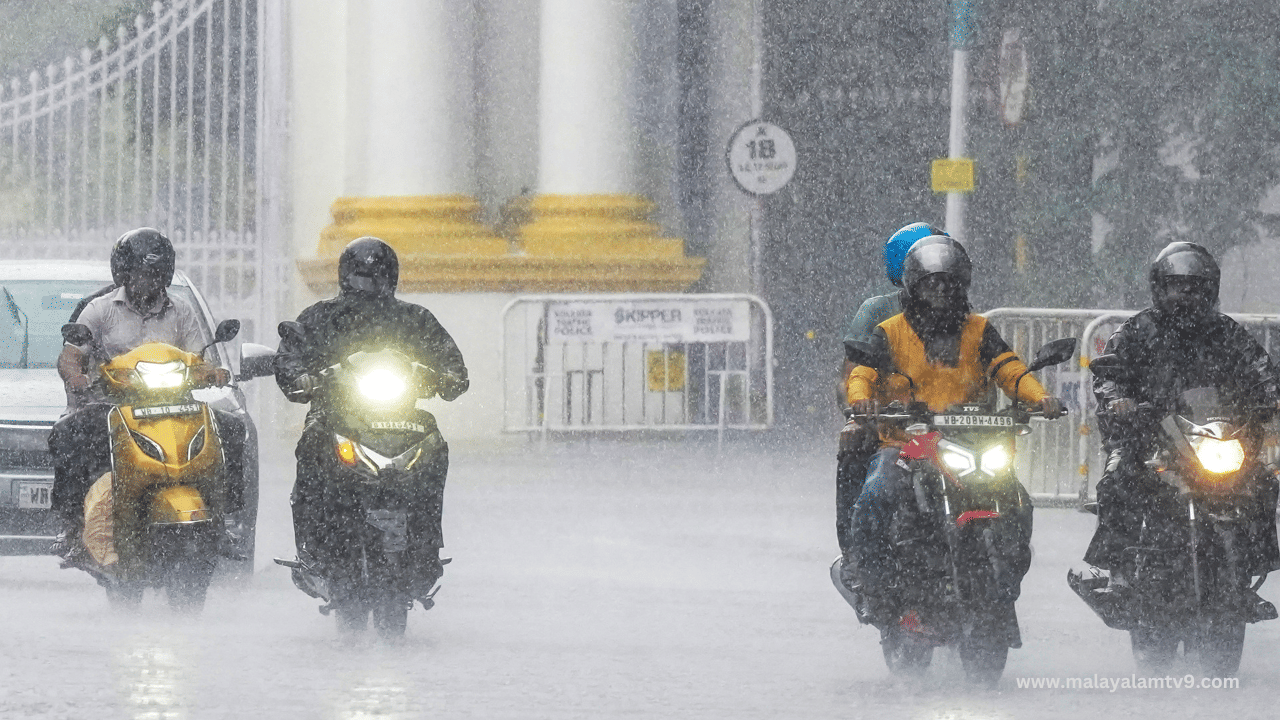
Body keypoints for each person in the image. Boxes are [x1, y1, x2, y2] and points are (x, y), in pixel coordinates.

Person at [846, 235, 1065, 626]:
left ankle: (1003, 586)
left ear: (962, 286)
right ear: (913, 287)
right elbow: (863, 372)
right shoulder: (889, 330)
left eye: (949, 283)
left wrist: (1039, 397)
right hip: (907, 443)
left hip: (972, 441)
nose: (941, 292)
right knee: (875, 496)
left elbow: (1009, 370)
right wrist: (861, 399)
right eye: (932, 283)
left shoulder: (980, 330)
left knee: (1019, 503)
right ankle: (874, 588)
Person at [1084, 241, 1280, 617]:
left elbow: (1262, 371)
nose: (1186, 294)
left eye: (1195, 286)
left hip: (1213, 434)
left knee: (1262, 480)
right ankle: (1119, 574)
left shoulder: (1227, 333)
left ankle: (1249, 571)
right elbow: (1108, 374)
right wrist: (1119, 399)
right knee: (1118, 477)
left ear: (1210, 289)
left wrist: (1271, 398)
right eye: (1178, 285)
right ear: (1160, 287)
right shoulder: (1137, 330)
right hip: (1150, 435)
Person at [273, 236, 468, 599]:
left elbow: (452, 365)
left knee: (434, 443)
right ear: (345, 279)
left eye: (375, 279)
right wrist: (303, 378)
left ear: (390, 280)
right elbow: (290, 358)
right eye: (361, 279)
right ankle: (312, 548)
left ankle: (427, 543)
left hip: (400, 417)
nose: (368, 287)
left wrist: (444, 376)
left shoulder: (414, 319)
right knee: (312, 443)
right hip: (336, 415)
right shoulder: (321, 317)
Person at [48, 228, 245, 560]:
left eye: (156, 272)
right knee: (68, 434)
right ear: (123, 273)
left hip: (176, 403)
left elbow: (200, 358)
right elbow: (70, 357)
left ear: (166, 273)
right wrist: (77, 378)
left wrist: (212, 372)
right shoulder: (99, 310)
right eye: (140, 272)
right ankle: (72, 526)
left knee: (233, 429)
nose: (148, 280)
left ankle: (223, 520)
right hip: (113, 404)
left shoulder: (182, 311)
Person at [835, 223, 945, 578]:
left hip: (947, 425)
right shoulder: (877, 311)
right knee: (856, 447)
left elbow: (987, 368)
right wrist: (860, 407)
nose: (939, 280)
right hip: (893, 426)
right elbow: (852, 375)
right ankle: (859, 555)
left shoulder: (959, 313)